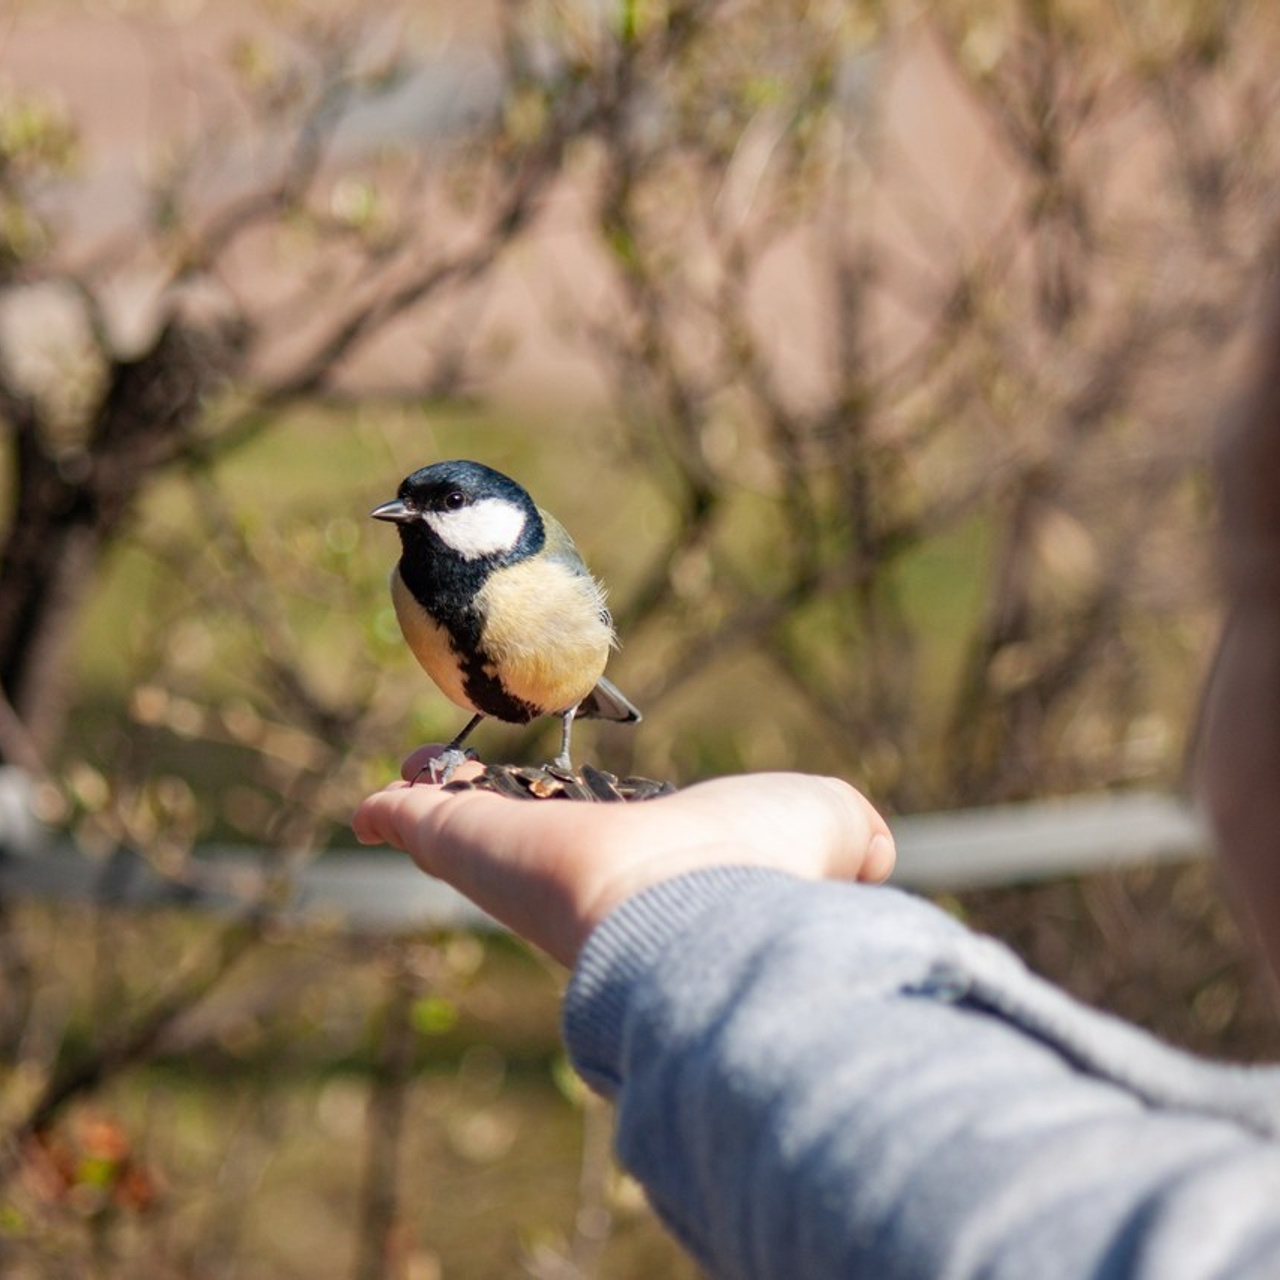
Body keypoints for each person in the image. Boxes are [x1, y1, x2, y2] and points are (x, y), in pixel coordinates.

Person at [353, 288, 1280, 1278]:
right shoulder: (412, 583)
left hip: (569, 711)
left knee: (557, 724)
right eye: (411, 502)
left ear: (499, 518)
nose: (413, 517)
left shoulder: (541, 573)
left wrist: (659, 886)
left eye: (440, 503)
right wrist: (672, 890)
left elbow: (932, 1167)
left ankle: (562, 759)